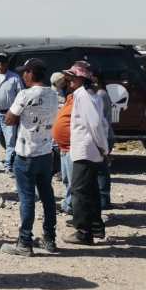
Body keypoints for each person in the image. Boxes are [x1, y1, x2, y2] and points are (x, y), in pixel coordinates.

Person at [2, 59, 59, 256]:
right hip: (45, 152)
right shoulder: (53, 94)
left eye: (25, 72)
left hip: (26, 154)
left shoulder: (25, 94)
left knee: (27, 198)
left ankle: (24, 241)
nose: (22, 76)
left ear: (31, 72)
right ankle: (50, 238)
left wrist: (18, 115)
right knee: (47, 197)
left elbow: (9, 119)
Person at [62, 61, 109, 246]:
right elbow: (101, 123)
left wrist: (103, 147)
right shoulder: (90, 95)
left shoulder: (83, 95)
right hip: (90, 149)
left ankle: (83, 231)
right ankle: (96, 226)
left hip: (86, 149)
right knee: (91, 189)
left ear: (81, 78)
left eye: (72, 76)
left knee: (79, 190)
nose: (69, 80)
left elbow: (96, 124)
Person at [52, 73, 75, 214]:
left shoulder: (75, 97)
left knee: (72, 180)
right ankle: (68, 203)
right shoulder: (54, 94)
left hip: (71, 145)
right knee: (66, 178)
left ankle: (71, 206)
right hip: (60, 145)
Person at [94, 72, 115, 210]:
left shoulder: (100, 95)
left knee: (101, 170)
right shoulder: (102, 94)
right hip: (106, 134)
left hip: (104, 135)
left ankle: (103, 200)